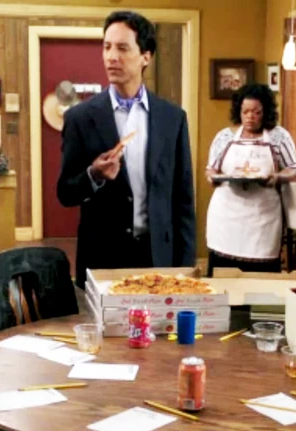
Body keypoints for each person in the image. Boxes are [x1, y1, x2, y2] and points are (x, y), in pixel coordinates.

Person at [57, 10, 195, 287]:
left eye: (122, 48)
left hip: (158, 255)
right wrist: (94, 175)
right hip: (103, 256)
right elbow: (65, 193)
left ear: (146, 56)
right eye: (107, 47)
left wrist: (186, 265)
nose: (111, 57)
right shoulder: (80, 118)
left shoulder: (172, 118)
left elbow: (183, 199)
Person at [205, 83, 296, 275]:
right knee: (223, 272)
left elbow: (293, 170)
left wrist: (277, 177)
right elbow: (211, 169)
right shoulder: (224, 137)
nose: (250, 117)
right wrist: (214, 178)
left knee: (261, 273)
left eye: (256, 112)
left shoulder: (279, 137)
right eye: (245, 111)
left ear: (266, 112)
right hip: (227, 215)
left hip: (262, 215)